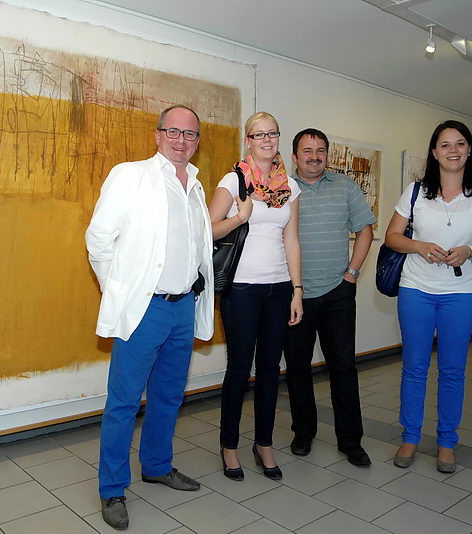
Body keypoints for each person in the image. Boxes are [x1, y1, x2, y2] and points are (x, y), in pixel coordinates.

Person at [85, 105, 214, 530]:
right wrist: (121, 291)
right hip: (145, 309)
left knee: (169, 396)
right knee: (124, 402)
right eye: (173, 131)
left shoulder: (195, 186)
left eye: (189, 134)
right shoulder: (130, 175)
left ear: (197, 142)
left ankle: (157, 466)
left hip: (183, 307)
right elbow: (98, 240)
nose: (181, 140)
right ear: (157, 135)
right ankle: (112, 488)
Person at [385, 120, 472, 472]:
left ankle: (447, 441)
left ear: (469, 150)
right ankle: (410, 437)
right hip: (416, 290)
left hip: (461, 293)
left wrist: (470, 250)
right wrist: (419, 246)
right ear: (434, 152)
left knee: (453, 370)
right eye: (445, 144)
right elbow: (392, 237)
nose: (453, 150)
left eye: (460, 143)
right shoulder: (415, 191)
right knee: (414, 367)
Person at [208, 112, 302, 481]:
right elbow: (206, 230)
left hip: (279, 288)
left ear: (278, 138)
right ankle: (229, 446)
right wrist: (239, 217)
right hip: (242, 289)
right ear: (248, 140)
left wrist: (297, 290)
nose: (266, 140)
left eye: (272, 133)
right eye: (258, 134)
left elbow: (291, 240)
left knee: (269, 370)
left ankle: (263, 443)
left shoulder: (289, 187)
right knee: (238, 369)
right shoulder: (234, 180)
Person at [284, 128, 376, 466]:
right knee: (297, 368)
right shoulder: (282, 189)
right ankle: (303, 432)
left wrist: (352, 275)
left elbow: (365, 230)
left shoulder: (345, 186)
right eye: (307, 151)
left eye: (320, 150)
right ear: (295, 156)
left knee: (344, 368)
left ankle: (351, 441)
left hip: (338, 293)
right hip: (294, 295)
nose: (314, 156)